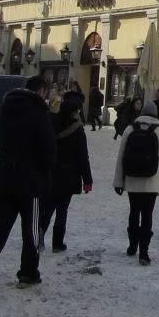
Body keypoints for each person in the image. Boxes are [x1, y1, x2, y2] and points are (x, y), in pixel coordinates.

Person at [0, 75, 57, 292]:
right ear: (41, 92)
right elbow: (48, 149)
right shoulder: (39, 113)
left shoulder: (7, 110)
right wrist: (46, 171)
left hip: (6, 178)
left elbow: (2, 145)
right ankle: (28, 272)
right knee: (32, 230)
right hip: (32, 182)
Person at [114, 99, 159, 265]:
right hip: (152, 180)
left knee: (134, 212)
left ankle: (132, 245)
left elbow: (121, 158)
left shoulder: (130, 128)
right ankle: (144, 253)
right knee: (147, 215)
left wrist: (118, 181)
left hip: (132, 179)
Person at [38, 93, 92, 254]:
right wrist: (87, 179)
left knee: (47, 208)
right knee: (62, 210)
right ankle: (57, 243)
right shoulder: (77, 129)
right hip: (69, 175)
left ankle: (38, 236)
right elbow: (83, 156)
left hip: (51, 173)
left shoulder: (51, 123)